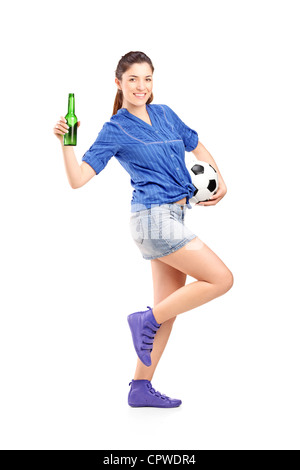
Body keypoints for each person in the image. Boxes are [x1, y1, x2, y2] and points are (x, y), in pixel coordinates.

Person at [53, 51, 233, 408]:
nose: (141, 86)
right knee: (221, 279)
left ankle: (139, 386)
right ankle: (143, 319)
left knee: (169, 307)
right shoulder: (115, 128)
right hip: (153, 220)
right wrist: (66, 144)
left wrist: (220, 180)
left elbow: (196, 145)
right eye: (133, 79)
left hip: (175, 217)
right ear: (118, 83)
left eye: (147, 79)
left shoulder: (165, 114)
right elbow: (78, 179)